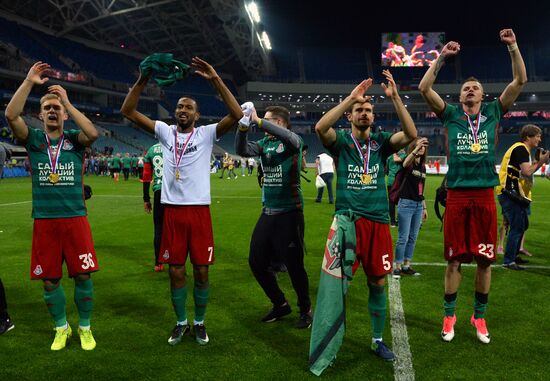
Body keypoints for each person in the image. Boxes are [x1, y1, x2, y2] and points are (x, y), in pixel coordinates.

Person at [120, 56, 242, 346]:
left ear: (197, 115)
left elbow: (237, 115)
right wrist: (142, 79)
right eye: (179, 106)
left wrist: (215, 79)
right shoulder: (164, 131)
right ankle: (181, 322)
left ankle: (199, 322)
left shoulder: (206, 133)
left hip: (199, 212)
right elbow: (128, 110)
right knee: (175, 271)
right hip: (172, 212)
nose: (182, 110)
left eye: (188, 107)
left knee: (201, 270)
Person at [418, 29, 527, 344]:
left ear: (482, 97)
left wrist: (513, 48)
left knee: (484, 259)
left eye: (475, 88)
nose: (469, 90)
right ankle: (449, 315)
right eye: (465, 87)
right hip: (457, 194)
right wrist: (440, 58)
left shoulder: (494, 111)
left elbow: (519, 81)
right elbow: (425, 87)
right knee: (453, 258)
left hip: (483, 195)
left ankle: (479, 317)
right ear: (461, 96)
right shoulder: (450, 114)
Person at [310, 69, 416, 372]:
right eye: (360, 110)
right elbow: (320, 127)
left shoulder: (381, 144)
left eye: (369, 110)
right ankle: (330, 340)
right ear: (351, 116)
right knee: (337, 285)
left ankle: (376, 338)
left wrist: (395, 98)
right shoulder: (341, 143)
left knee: (377, 282)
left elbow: (410, 135)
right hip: (347, 223)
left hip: (378, 223)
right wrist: (350, 99)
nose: (365, 113)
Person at [5, 61, 100, 350]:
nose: (52, 111)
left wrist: (67, 103)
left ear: (64, 114)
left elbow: (93, 134)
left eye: (56, 108)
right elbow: (11, 114)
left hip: (75, 218)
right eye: (47, 108)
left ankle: (84, 327)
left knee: (83, 274)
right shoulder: (33, 140)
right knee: (48, 281)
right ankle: (61, 327)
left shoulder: (74, 140)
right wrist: (29, 82)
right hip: (45, 220)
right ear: (40, 114)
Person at [236, 105, 312, 328]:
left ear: (280, 123)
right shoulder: (264, 144)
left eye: (269, 120)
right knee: (256, 262)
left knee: (295, 266)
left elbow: (290, 137)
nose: (263, 123)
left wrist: (258, 121)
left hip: (290, 213)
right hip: (268, 212)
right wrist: (242, 128)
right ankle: (280, 304)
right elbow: (242, 151)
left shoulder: (292, 140)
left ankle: (305, 309)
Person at [496, 125, 549, 270]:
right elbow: (527, 172)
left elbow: (524, 171)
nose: (539, 138)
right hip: (509, 192)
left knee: (523, 224)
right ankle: (509, 261)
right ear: (528, 137)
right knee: (518, 226)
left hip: (512, 193)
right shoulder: (521, 148)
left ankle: (513, 255)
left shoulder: (521, 149)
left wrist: (536, 162)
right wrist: (542, 161)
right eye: (537, 136)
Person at [392, 138, 429, 279]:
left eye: (423, 146)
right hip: (406, 204)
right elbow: (405, 162)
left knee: (413, 237)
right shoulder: (409, 163)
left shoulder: (423, 167)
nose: (421, 148)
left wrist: (424, 207)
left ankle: (407, 265)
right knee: (403, 237)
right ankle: (397, 266)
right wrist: (415, 149)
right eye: (419, 146)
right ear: (414, 147)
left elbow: (421, 189)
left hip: (418, 205)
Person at [142, 142, 165, 272]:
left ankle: (158, 262)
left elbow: (146, 177)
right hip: (174, 192)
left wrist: (146, 199)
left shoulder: (151, 149)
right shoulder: (175, 145)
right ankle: (176, 260)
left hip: (158, 191)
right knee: (176, 228)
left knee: (158, 228)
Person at [386, 150, 405, 226]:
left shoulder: (389, 157)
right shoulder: (403, 155)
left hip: (390, 181)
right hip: (398, 182)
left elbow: (386, 169)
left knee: (391, 202)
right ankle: (399, 220)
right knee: (401, 201)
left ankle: (393, 221)